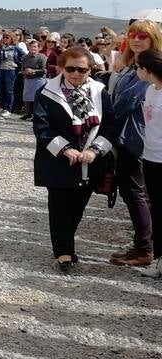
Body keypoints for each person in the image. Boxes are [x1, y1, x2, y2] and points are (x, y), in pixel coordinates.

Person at [33, 46, 115, 274]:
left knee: (77, 207)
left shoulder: (100, 91)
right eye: (70, 69)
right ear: (61, 68)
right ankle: (64, 252)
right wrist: (65, 149)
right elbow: (42, 127)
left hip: (90, 162)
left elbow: (110, 125)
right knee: (59, 206)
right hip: (59, 161)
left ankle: (64, 243)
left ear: (90, 69)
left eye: (82, 69)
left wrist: (96, 150)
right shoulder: (46, 92)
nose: (76, 74)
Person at [105, 23, 162, 267]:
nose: (137, 40)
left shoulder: (149, 70)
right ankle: (142, 244)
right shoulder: (130, 66)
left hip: (137, 139)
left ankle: (145, 248)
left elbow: (125, 101)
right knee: (131, 192)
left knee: (137, 193)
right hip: (126, 136)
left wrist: (102, 117)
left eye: (143, 36)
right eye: (133, 35)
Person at [131, 49, 162, 278]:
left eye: (138, 67)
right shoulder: (151, 90)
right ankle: (159, 259)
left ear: (148, 69)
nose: (136, 70)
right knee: (156, 210)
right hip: (150, 156)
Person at [20, 39, 49, 122]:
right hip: (28, 79)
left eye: (35, 47)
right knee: (27, 97)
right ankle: (28, 113)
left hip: (39, 79)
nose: (33, 49)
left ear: (38, 48)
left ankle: (36, 115)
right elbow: (22, 69)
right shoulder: (25, 57)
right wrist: (25, 72)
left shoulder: (42, 57)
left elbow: (45, 70)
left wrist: (34, 71)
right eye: (32, 47)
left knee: (37, 98)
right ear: (29, 47)